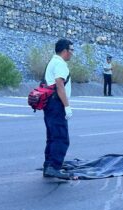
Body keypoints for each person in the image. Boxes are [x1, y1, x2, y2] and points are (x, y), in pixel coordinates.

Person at [42, 39, 74, 179]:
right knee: (61, 137)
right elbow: (60, 86)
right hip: (57, 104)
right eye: (71, 50)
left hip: (49, 104)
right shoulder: (60, 64)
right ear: (65, 50)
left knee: (52, 136)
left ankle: (48, 165)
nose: (72, 53)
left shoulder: (52, 62)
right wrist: (67, 107)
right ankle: (54, 167)